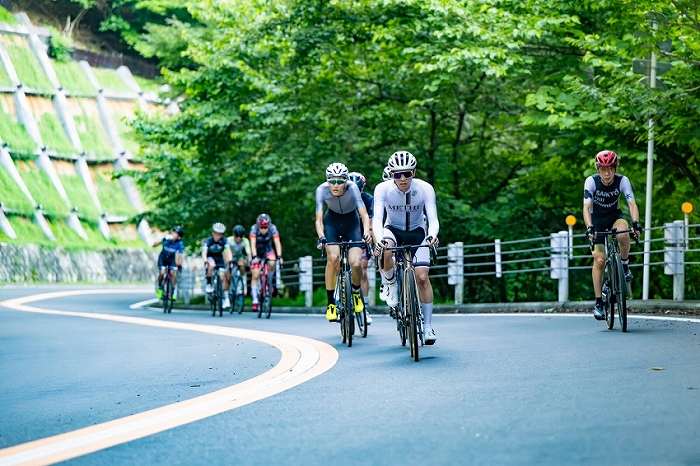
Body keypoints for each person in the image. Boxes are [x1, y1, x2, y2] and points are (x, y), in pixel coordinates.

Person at [373, 150, 440, 344]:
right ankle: (391, 283)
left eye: (407, 174)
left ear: (414, 172)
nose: (402, 179)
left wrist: (432, 236)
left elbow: (433, 219)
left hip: (418, 232)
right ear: (391, 174)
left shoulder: (425, 188)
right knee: (386, 249)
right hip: (392, 230)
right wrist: (379, 239)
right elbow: (377, 219)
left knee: (422, 277)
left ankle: (427, 327)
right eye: (397, 174)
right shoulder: (382, 189)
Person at [584, 150, 641, 321]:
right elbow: (586, 208)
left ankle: (624, 265)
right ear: (598, 169)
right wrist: (590, 227)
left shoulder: (622, 181)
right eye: (603, 169)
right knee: (599, 260)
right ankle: (598, 302)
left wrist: (636, 223)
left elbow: (632, 204)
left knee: (623, 234)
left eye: (610, 169)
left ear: (615, 169)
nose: (607, 173)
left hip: (615, 217)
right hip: (597, 221)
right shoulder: (591, 181)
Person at [316, 164, 372, 322]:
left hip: (351, 223)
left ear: (346, 181)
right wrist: (321, 236)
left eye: (339, 181)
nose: (335, 185)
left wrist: (367, 232)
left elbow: (364, 215)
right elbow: (318, 220)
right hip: (332, 222)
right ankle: (331, 304)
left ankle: (356, 293)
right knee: (333, 258)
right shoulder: (321, 190)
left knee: (356, 263)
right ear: (327, 180)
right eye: (331, 181)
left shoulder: (353, 188)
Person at [348, 171, 374, 323]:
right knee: (337, 262)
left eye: (358, 188)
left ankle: (364, 307)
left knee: (362, 269)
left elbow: (370, 222)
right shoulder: (342, 199)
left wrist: (368, 237)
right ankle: (340, 295)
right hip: (345, 234)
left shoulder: (368, 199)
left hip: (362, 236)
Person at [249, 213, 283, 312]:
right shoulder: (254, 229)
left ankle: (268, 281)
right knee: (255, 274)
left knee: (272, 262)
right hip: (257, 251)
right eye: (261, 227)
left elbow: (277, 242)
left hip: (267, 250)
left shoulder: (273, 228)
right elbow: (252, 244)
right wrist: (254, 256)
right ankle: (255, 300)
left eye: (265, 227)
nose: (263, 230)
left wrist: (279, 256)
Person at [202, 222, 232, 309]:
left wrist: (230, 261)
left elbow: (228, 251)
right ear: (213, 233)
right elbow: (204, 252)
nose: (218, 236)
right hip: (210, 257)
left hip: (219, 258)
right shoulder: (208, 241)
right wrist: (205, 261)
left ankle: (220, 293)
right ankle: (209, 283)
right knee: (211, 265)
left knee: (222, 276)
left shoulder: (224, 241)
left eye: (220, 234)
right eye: (216, 233)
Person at [153, 225, 184, 300]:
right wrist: (162, 239)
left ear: (179, 237)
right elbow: (154, 245)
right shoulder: (167, 239)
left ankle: (173, 291)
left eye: (176, 233)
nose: (173, 234)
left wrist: (179, 264)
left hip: (171, 259)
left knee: (172, 273)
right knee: (162, 272)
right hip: (162, 258)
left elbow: (180, 255)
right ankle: (160, 288)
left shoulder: (179, 243)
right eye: (173, 232)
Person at [227, 224, 252, 296]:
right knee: (228, 271)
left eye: (240, 236)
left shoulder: (245, 241)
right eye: (236, 236)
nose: (238, 238)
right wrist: (229, 262)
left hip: (239, 256)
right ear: (233, 234)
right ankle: (228, 288)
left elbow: (248, 253)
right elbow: (227, 252)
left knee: (242, 264)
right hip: (229, 256)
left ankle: (241, 280)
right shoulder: (228, 240)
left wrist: (250, 261)